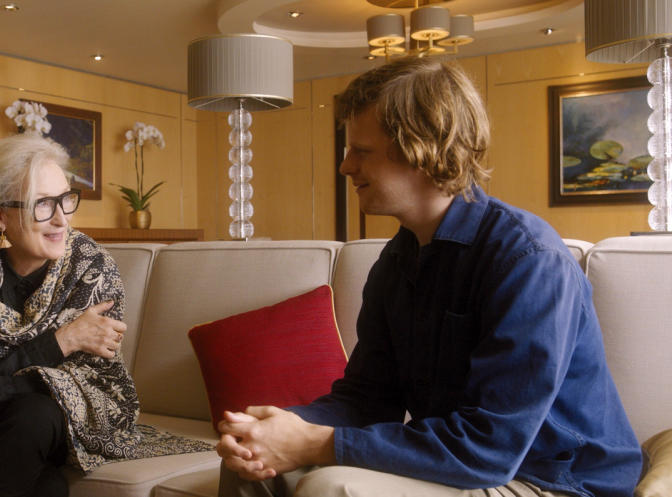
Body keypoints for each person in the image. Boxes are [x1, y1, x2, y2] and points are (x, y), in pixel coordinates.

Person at [216, 57, 643, 497]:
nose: (345, 166)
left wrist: (315, 443)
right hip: (474, 463)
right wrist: (276, 429)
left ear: (422, 148)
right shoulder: (395, 262)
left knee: (333, 488)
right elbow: (367, 400)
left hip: (554, 479)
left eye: (361, 151)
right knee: (250, 463)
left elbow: (489, 448)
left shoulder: (528, 260)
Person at [0, 135, 210, 497]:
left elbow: (85, 383)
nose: (61, 219)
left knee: (38, 412)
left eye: (66, 200)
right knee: (46, 484)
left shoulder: (91, 267)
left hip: (56, 421)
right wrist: (62, 340)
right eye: (42, 205)